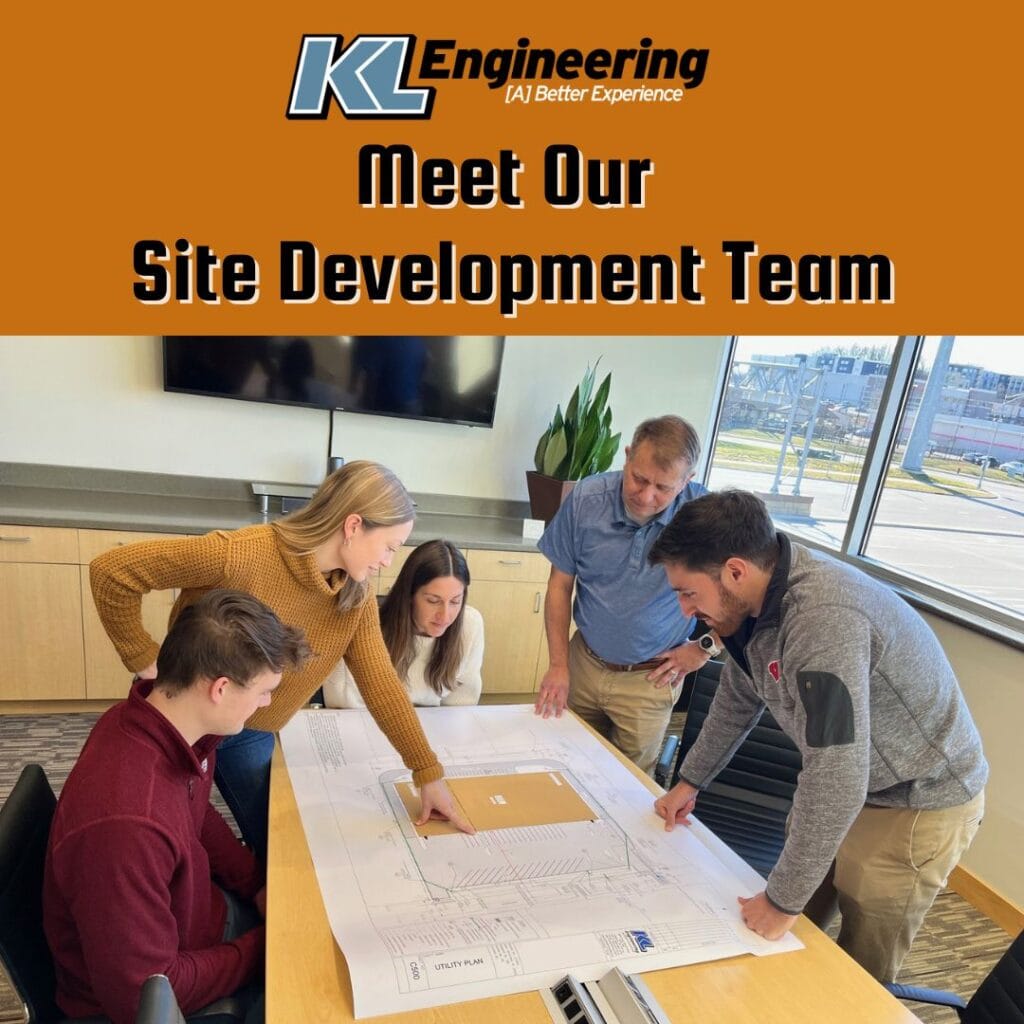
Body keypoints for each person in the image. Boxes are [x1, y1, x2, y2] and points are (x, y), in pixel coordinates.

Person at [650, 489, 988, 982]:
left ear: (735, 571)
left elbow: (836, 775)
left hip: (918, 798)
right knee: (782, 931)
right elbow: (740, 694)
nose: (684, 610)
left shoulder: (822, 621)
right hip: (854, 783)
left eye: (688, 592)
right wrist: (691, 780)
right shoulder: (749, 602)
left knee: (858, 969)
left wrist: (783, 900)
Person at [89, 460, 473, 861]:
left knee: (276, 839)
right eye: (390, 546)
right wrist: (143, 657)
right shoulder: (242, 553)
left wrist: (426, 772)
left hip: (254, 727)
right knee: (182, 832)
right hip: (189, 715)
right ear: (354, 526)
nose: (389, 561)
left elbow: (381, 686)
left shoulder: (353, 596)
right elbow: (112, 572)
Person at [43, 589, 311, 1024]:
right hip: (150, 997)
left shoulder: (162, 727)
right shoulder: (126, 826)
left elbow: (195, 812)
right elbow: (144, 994)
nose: (267, 703)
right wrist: (268, 945)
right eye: (264, 691)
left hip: (195, 921)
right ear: (220, 689)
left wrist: (255, 883)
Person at [533, 415, 711, 774]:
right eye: (639, 478)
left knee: (627, 786)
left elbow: (740, 594)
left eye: (663, 488)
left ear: (687, 481)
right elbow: (559, 586)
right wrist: (557, 664)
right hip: (583, 663)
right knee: (564, 765)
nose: (646, 497)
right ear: (627, 456)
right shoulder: (586, 499)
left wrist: (705, 648)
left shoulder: (703, 515)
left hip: (651, 680)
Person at [322, 539, 484, 708]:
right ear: (409, 595)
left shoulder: (470, 625)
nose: (445, 616)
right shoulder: (366, 627)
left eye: (455, 602)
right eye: (433, 601)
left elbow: (461, 706)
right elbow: (343, 703)